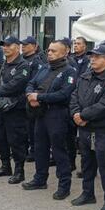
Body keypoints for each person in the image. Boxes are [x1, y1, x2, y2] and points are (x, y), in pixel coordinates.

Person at [69, 43, 105, 210]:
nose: (93, 59)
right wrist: (76, 114)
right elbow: (74, 96)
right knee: (86, 163)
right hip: (85, 129)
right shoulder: (85, 76)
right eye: (92, 56)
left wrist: (83, 116)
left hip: (102, 131)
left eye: (97, 56)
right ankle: (87, 193)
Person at [22, 39, 78, 198]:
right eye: (49, 50)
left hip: (57, 114)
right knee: (40, 148)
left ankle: (64, 185)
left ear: (65, 52)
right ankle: (40, 179)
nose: (50, 53)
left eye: (54, 51)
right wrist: (30, 95)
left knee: (59, 150)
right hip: (40, 114)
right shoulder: (44, 67)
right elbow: (30, 83)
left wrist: (39, 97)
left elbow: (64, 94)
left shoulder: (69, 71)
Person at [0, 35, 31, 185]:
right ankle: (5, 166)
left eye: (9, 45)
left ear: (17, 47)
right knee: (0, 138)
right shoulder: (0, 64)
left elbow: (16, 85)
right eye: (4, 45)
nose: (5, 48)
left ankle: (19, 171)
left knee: (16, 140)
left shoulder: (23, 65)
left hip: (15, 109)